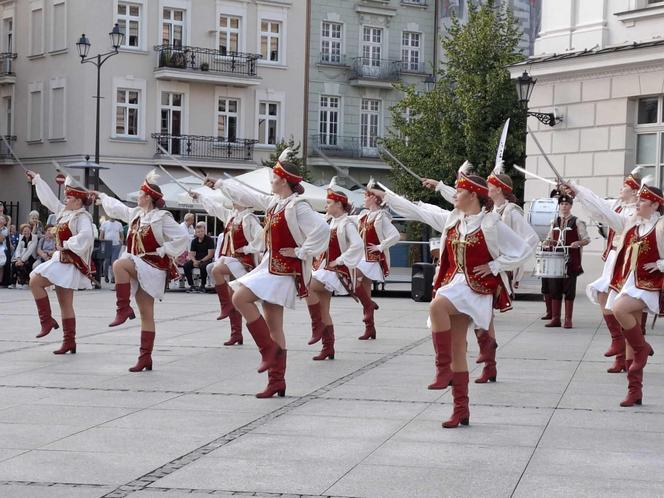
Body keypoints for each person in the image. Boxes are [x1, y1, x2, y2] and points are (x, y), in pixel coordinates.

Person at [374, 173, 531, 428]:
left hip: (476, 290)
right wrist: (388, 197)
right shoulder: (452, 219)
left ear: (472, 195)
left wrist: (495, 265)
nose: (455, 195)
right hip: (455, 284)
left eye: (459, 191)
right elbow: (419, 211)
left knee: (437, 305)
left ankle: (442, 369)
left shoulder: (491, 223)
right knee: (458, 347)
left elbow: (523, 248)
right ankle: (461, 410)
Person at [206, 149, 329, 398]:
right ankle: (277, 381)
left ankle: (268, 352)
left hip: (284, 271)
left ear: (283, 180)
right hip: (271, 267)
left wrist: (301, 251)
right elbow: (247, 195)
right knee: (274, 326)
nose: (270, 181)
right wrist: (220, 185)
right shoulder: (275, 203)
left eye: (273, 177)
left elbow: (322, 230)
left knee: (239, 297)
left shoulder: (298, 207)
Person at [566, 179, 660, 406]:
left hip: (650, 287)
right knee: (629, 328)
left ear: (655, 205)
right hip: (629, 284)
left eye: (643, 200)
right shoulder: (632, 224)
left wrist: (662, 265)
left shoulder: (662, 226)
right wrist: (578, 190)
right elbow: (603, 210)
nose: (637, 203)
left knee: (619, 308)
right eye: (637, 199)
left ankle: (642, 348)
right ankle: (634, 390)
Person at [95, 170, 189, 372]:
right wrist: (103, 197)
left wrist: (165, 250)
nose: (137, 197)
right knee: (146, 314)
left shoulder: (162, 217)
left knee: (119, 265)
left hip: (154, 266)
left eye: (140, 194)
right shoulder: (137, 214)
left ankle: (123, 308)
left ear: (148, 197)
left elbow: (182, 238)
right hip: (140, 265)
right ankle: (145, 357)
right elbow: (118, 209)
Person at [563, 170, 640, 373]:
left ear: (634, 192)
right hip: (614, 258)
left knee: (626, 309)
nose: (620, 190)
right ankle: (618, 344)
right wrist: (576, 190)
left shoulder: (636, 212)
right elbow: (597, 204)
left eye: (624, 187)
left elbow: (610, 218)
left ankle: (629, 357)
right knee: (604, 296)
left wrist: (577, 190)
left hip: (629, 261)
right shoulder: (618, 205)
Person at [26, 172, 95, 355]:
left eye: (69, 197)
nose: (65, 199)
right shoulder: (64, 212)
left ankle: (55, 328)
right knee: (54, 296)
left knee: (39, 285)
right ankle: (63, 335)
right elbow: (49, 199)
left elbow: (87, 236)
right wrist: (37, 180)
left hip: (69, 262)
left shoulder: (82, 217)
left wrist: (67, 244)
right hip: (61, 260)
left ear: (78, 201)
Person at [190, 187, 263, 346]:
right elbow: (216, 208)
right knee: (233, 298)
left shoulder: (249, 218)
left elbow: (262, 237)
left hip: (244, 263)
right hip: (232, 260)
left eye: (236, 198)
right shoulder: (232, 216)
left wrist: (248, 248)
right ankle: (236, 334)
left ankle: (225, 306)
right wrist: (200, 196)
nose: (233, 200)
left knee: (216, 269)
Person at [306, 186, 364, 360]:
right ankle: (328, 348)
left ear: (339, 204)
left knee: (307, 285)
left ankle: (316, 325)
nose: (326, 206)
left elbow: (358, 245)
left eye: (329, 203)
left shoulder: (346, 224)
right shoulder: (331, 221)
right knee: (324, 309)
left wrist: (340, 260)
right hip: (323, 267)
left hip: (334, 270)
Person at [352, 180, 400, 340]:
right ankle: (370, 328)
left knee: (353, 279)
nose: (363, 199)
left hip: (373, 259)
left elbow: (395, 235)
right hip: (362, 257)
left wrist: (380, 246)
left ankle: (369, 304)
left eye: (366, 196)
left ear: (374, 198)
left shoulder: (381, 217)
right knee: (364, 291)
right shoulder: (363, 216)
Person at [542, 194, 590, 328]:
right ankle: (556, 318)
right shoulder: (554, 221)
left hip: (571, 260)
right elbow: (549, 237)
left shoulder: (577, 221)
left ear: (571, 206)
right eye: (562, 204)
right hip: (556, 260)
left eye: (567, 204)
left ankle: (568, 319)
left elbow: (586, 239)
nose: (564, 206)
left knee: (569, 290)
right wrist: (547, 242)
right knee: (554, 288)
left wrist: (578, 243)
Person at [183, 221, 215, 292]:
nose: (200, 233)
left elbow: (210, 255)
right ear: (196, 233)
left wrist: (200, 261)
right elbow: (192, 254)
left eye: (201, 231)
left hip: (206, 259)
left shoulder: (209, 240)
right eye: (198, 232)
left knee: (203, 266)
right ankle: (191, 285)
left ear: (204, 231)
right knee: (186, 266)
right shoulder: (194, 241)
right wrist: (194, 261)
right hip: (196, 259)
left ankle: (203, 285)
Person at [11, 224, 38, 288]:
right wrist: (18, 258)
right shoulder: (21, 237)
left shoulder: (34, 237)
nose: (26, 232)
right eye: (25, 231)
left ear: (30, 230)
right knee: (14, 264)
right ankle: (13, 283)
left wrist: (22, 260)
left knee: (25, 264)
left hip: (31, 257)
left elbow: (30, 251)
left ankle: (24, 282)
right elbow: (18, 249)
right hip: (21, 257)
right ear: (22, 232)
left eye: (28, 230)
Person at [100, 216, 124, 283]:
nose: (112, 216)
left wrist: (121, 241)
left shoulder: (119, 224)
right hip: (107, 245)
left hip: (116, 245)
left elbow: (121, 235)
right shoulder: (104, 223)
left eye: (114, 214)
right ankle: (106, 275)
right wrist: (102, 244)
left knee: (114, 261)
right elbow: (101, 235)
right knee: (106, 262)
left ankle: (113, 277)